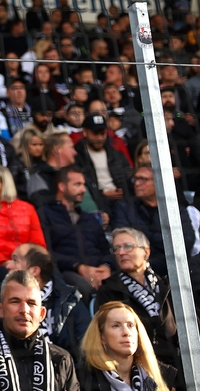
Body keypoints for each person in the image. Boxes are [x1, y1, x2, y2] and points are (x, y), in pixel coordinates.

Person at [0, 270, 80, 391]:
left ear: (42, 314)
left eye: (31, 303)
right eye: (15, 302)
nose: (24, 310)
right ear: (0, 310)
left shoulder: (61, 360)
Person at [96, 228, 183, 382]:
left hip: (178, 368)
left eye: (127, 246)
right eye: (116, 248)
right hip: (137, 371)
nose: (121, 252)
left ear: (146, 252)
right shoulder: (109, 291)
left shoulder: (168, 286)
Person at [0, 243, 90, 363]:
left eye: (15, 260)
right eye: (15, 302)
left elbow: (86, 347)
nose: (8, 265)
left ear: (34, 270)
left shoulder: (70, 299)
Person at [38, 167, 114, 300]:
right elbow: (44, 252)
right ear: (62, 186)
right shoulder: (45, 214)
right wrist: (78, 266)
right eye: (77, 184)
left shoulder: (89, 218)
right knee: (82, 288)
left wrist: (105, 267)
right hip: (67, 271)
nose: (83, 190)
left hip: (99, 270)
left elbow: (106, 250)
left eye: (83, 185)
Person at [112, 167, 195, 276]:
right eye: (135, 179)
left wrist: (146, 235)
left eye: (143, 179)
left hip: (178, 268)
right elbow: (122, 238)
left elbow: (187, 241)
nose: (136, 184)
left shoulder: (175, 209)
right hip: (142, 269)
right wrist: (164, 238)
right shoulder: (124, 207)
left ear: (158, 183)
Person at [80, 301, 174, 391]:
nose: (126, 332)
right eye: (116, 326)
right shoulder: (84, 380)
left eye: (130, 325)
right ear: (101, 337)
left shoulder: (162, 377)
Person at [75, 113, 132, 214]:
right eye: (95, 133)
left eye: (103, 133)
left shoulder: (116, 155)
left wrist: (123, 191)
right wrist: (102, 195)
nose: (100, 138)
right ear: (84, 132)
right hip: (96, 203)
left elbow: (128, 176)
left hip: (122, 201)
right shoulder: (77, 156)